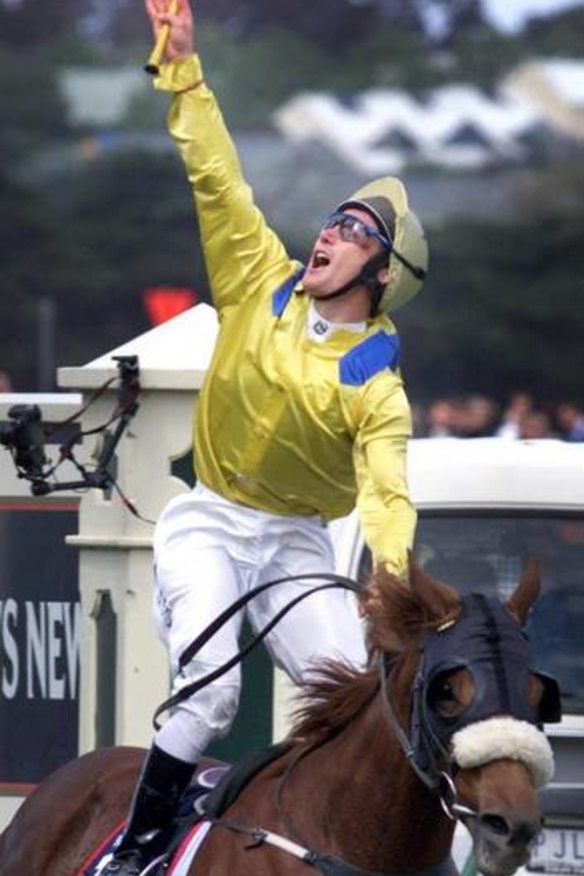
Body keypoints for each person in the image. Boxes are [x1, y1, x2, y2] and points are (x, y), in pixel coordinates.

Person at [104, 0, 429, 872]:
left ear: (382, 274)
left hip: (294, 544)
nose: (331, 232)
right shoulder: (258, 274)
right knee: (212, 701)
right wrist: (184, 70)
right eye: (336, 218)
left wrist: (389, 581)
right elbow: (217, 177)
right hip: (209, 520)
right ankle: (137, 848)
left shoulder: (377, 383)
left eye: (356, 232)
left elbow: (387, 492)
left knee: (364, 705)